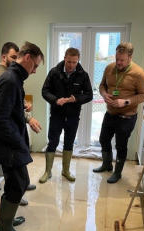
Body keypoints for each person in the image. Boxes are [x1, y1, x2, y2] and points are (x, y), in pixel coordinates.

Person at [0, 41, 44, 231]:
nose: (35, 71)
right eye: (35, 65)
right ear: (27, 57)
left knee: (18, 182)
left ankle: (6, 220)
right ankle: (4, 225)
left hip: (11, 144)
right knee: (17, 185)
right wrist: (18, 142)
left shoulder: (15, 78)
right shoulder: (10, 79)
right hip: (9, 146)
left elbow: (10, 112)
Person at [93, 42, 144, 183]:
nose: (118, 62)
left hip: (126, 117)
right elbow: (102, 86)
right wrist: (104, 94)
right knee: (103, 140)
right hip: (110, 113)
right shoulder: (109, 68)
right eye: (117, 58)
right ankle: (107, 165)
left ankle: (117, 173)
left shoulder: (138, 73)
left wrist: (125, 102)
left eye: (122, 60)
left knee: (120, 145)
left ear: (130, 57)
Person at [39, 47, 93, 183]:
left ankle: (65, 171)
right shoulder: (54, 72)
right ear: (64, 58)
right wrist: (56, 100)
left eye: (74, 62)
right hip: (57, 115)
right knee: (52, 142)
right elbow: (45, 91)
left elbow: (89, 95)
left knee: (69, 144)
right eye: (69, 61)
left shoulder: (83, 75)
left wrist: (76, 99)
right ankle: (48, 171)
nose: (71, 65)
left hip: (73, 116)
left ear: (78, 61)